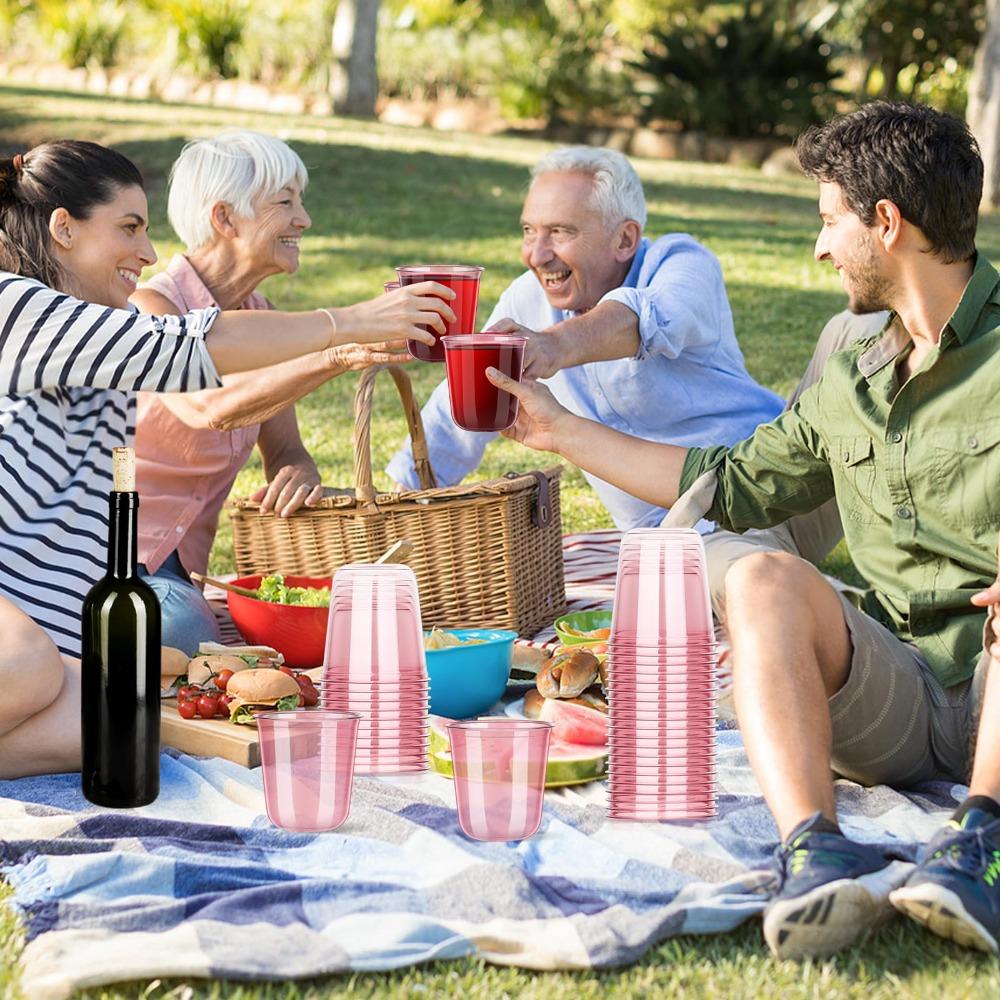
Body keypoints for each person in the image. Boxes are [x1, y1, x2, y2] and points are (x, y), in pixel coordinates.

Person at [483, 103, 1000, 959]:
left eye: (830, 219)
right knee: (758, 577)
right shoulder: (855, 370)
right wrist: (555, 429)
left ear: (886, 222)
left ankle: (979, 847)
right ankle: (817, 850)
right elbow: (722, 483)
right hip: (901, 685)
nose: (820, 245)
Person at [0, 139, 453, 779]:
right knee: (29, 667)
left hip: (53, 614)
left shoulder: (102, 338)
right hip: (28, 630)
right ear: (64, 229)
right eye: (128, 228)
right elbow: (187, 354)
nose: (149, 252)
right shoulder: (16, 307)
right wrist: (351, 323)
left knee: (129, 721)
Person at [387, 146, 785, 531]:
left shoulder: (681, 264)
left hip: (759, 487)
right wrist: (401, 497)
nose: (537, 255)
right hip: (659, 531)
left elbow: (642, 319)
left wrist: (552, 345)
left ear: (625, 240)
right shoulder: (527, 297)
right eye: (529, 231)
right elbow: (463, 401)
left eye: (560, 232)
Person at [129, 131, 404, 654]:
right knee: (179, 637)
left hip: (180, 566)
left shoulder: (262, 314)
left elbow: (284, 449)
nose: (304, 220)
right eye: (285, 202)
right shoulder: (150, 308)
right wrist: (337, 351)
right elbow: (208, 406)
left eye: (300, 201)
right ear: (225, 218)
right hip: (113, 552)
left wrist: (297, 471)